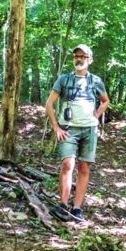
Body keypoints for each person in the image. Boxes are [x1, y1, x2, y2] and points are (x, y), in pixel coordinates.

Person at [45, 44, 110, 222]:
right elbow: (49, 103)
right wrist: (56, 127)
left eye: (83, 56)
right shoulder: (64, 80)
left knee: (84, 167)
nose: (79, 59)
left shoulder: (96, 81)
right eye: (76, 56)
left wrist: (96, 116)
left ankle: (77, 208)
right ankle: (63, 204)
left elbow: (105, 101)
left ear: (90, 60)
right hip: (68, 129)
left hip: (89, 129)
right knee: (67, 164)